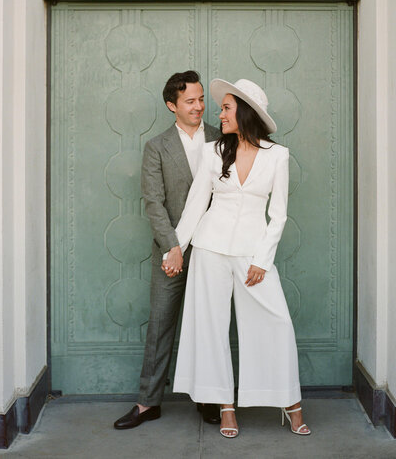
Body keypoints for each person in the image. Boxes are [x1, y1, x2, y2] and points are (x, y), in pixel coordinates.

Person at [162, 78, 311, 438]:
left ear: (244, 112)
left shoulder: (278, 156)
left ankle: (290, 403)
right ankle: (225, 407)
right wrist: (176, 246)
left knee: (276, 324)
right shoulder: (214, 152)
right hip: (210, 250)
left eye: (226, 107)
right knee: (210, 328)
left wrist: (262, 259)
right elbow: (196, 204)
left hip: (252, 253)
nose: (218, 113)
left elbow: (279, 215)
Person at [113, 71, 221, 430]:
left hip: (214, 249)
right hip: (170, 252)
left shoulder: (222, 140)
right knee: (160, 325)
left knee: (209, 325)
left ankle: (208, 399)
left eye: (201, 99)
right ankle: (148, 403)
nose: (199, 106)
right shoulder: (157, 147)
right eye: (190, 101)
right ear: (171, 105)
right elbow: (154, 203)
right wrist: (172, 247)